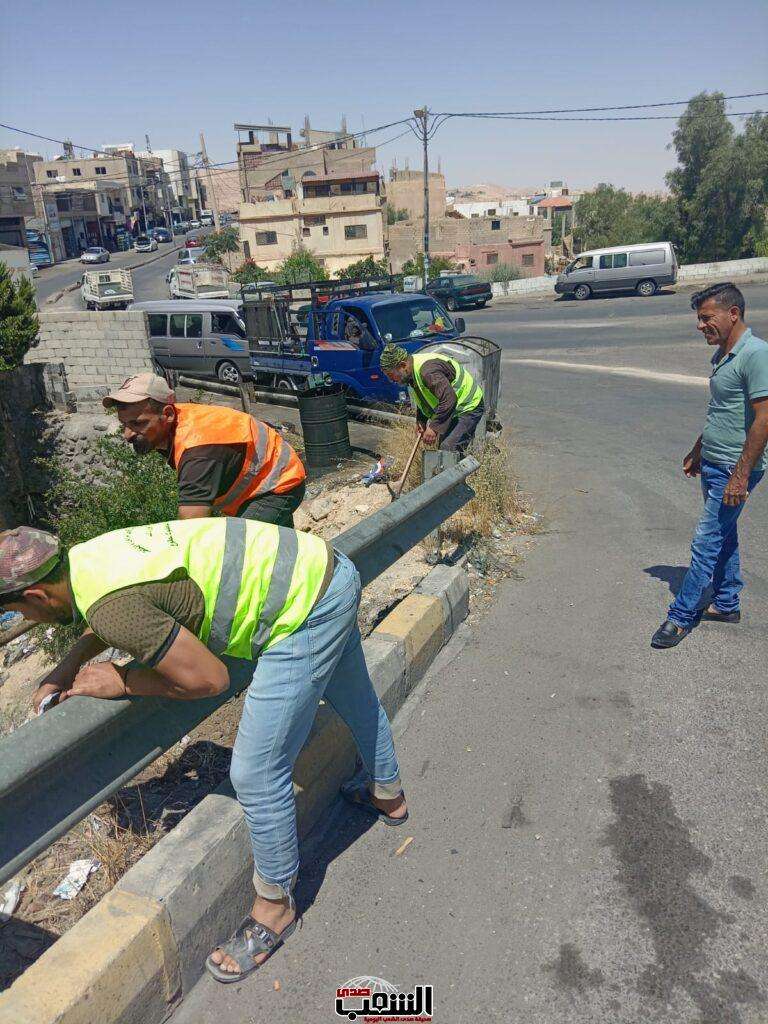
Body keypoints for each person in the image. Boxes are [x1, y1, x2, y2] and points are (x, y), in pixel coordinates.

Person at [0, 521, 407, 982]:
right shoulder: (89, 556)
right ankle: (388, 795)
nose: (26, 620)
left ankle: (275, 908)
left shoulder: (109, 606)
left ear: (36, 597)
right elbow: (113, 612)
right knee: (356, 699)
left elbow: (209, 679)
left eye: (17, 612)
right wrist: (68, 665)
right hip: (327, 569)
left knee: (257, 772)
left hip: (302, 610)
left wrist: (123, 680)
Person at [652, 282, 768, 649]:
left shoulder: (756, 354)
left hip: (736, 468)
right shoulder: (722, 355)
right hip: (715, 462)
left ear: (733, 313)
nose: (701, 325)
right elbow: (722, 412)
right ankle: (727, 603)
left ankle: (681, 616)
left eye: (707, 318)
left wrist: (740, 475)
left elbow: (764, 419)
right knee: (724, 535)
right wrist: (698, 450)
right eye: (699, 319)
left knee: (706, 540)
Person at [103, 374, 306, 526]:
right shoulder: (171, 425)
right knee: (277, 552)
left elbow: (192, 529)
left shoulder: (199, 450)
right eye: (124, 424)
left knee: (240, 553)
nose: (127, 435)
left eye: (137, 423)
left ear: (168, 414)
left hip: (277, 486)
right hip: (262, 484)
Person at [379, 343, 484, 454]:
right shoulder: (412, 371)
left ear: (403, 365)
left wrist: (434, 427)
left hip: (468, 406)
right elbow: (425, 397)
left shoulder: (428, 372)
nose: (391, 380)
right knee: (444, 451)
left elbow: (449, 399)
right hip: (453, 410)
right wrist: (422, 420)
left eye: (391, 375)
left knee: (448, 449)